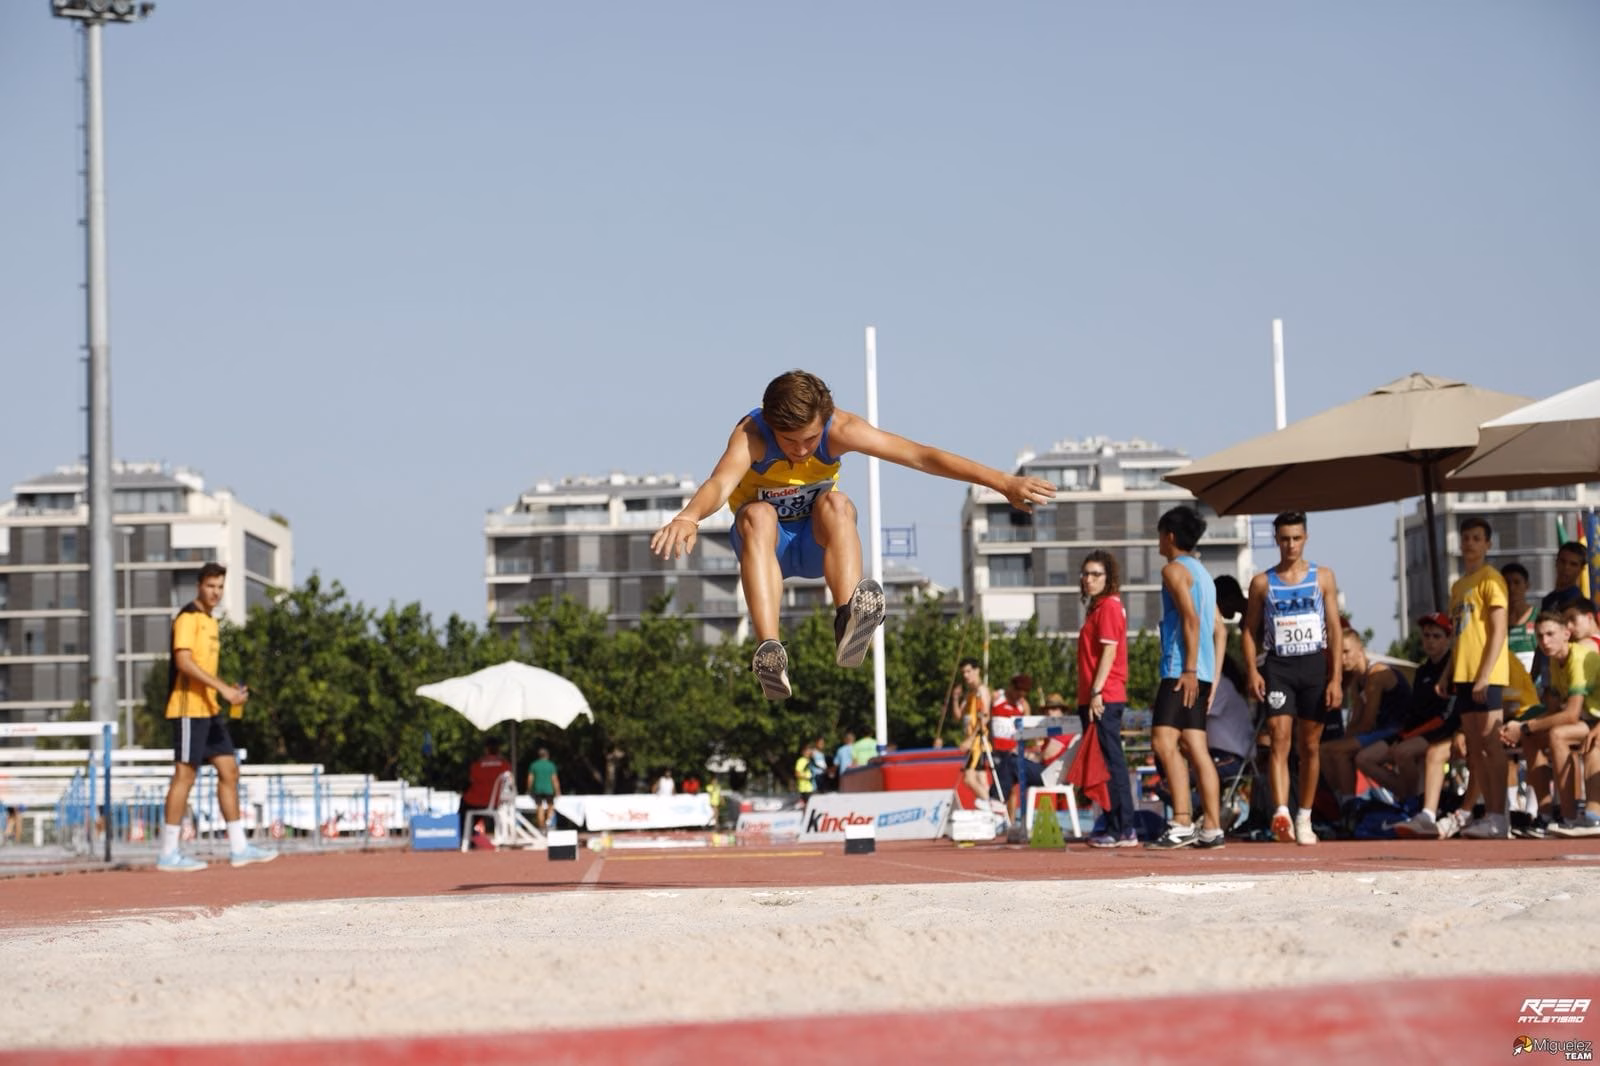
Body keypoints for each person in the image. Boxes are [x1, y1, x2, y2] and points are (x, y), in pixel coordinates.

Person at [649, 370, 1056, 700]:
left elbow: (920, 455)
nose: (802, 450)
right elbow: (720, 484)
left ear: (824, 422)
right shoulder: (751, 434)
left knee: (838, 504)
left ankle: (848, 618)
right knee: (757, 513)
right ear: (772, 426)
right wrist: (688, 517)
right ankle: (769, 650)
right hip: (766, 548)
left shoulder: (840, 428)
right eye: (790, 442)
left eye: (810, 439)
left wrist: (1001, 481)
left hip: (817, 544)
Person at [156, 563, 276, 873]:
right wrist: (222, 688)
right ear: (199, 585)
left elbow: (205, 669)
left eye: (220, 587)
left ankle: (239, 848)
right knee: (185, 775)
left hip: (210, 710)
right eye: (211, 586)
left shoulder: (212, 622)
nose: (216, 592)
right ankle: (168, 853)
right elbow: (183, 662)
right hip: (187, 708)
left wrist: (228, 691)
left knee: (229, 770)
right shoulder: (188, 617)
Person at [1240, 511, 1344, 847]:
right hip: (1279, 667)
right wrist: (1253, 670)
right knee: (1278, 739)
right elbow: (1248, 630)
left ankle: (1305, 816)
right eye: (1284, 539)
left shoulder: (1323, 577)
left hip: (1313, 665)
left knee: (1310, 745)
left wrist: (1336, 678)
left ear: (1306, 538)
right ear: (1276, 540)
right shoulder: (1262, 582)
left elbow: (1335, 629)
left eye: (1296, 538)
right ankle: (1281, 811)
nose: (1291, 545)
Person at [1146, 506, 1228, 850]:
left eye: (1159, 533)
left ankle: (1181, 821)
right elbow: (1220, 630)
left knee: (1163, 742)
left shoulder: (1174, 571)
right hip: (1202, 673)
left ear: (1170, 536)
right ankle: (1212, 827)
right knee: (1196, 747)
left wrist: (1191, 670)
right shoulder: (1204, 575)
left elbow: (1192, 620)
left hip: (1181, 671)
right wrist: (1212, 678)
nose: (1157, 540)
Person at [1442, 517, 1513, 840]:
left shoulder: (1492, 579)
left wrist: (1485, 675)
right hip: (1463, 673)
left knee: (1490, 744)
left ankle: (1501, 813)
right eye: (1465, 538)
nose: (1469, 543)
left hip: (1488, 674)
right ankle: (1489, 813)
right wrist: (1447, 674)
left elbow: (1499, 630)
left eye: (1476, 538)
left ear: (1488, 544)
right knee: (1474, 748)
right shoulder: (1459, 586)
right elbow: (1459, 636)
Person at [1502, 612, 1600, 836]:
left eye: (1550, 634)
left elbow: (1571, 715)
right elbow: (1554, 710)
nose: (1545, 641)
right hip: (1587, 721)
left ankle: (1568, 816)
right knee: (1532, 737)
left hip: (1593, 720)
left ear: (1567, 634)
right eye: (1540, 636)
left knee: (1557, 734)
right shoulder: (1556, 661)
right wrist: (1520, 726)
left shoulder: (1578, 657)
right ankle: (1545, 815)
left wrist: (1524, 726)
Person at [1383, 614, 1467, 839]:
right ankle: (1410, 801)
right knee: (1368, 757)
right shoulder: (1422, 672)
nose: (1430, 641)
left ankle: (1416, 805)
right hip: (1424, 733)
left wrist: (1409, 739)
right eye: (1427, 636)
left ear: (1448, 639)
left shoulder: (1454, 669)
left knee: (1406, 752)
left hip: (1447, 732)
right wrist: (1402, 736)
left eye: (1436, 636)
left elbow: (1446, 717)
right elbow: (1415, 713)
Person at [1076, 550, 1137, 849]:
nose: (1089, 579)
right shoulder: (1097, 608)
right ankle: (1115, 825)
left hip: (1105, 696)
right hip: (1094, 696)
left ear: (1108, 577)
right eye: (1086, 574)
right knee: (1103, 763)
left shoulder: (1110, 607)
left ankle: (1123, 828)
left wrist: (1097, 691)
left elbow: (1110, 652)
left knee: (1112, 763)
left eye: (1096, 574)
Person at [1321, 629, 1410, 805]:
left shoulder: (1376, 674)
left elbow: (1367, 722)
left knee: (1335, 750)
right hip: (1381, 731)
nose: (1342, 659)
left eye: (1346, 652)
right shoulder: (1356, 680)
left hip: (1398, 730)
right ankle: (1344, 802)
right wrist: (1343, 741)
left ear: (1360, 649)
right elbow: (1355, 721)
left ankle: (1348, 803)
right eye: (1338, 654)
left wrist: (1343, 742)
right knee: (1326, 751)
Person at [459, 737, 512, 839]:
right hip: (497, 802)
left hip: (476, 801)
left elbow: (471, 781)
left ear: (486, 749)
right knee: (472, 807)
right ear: (499, 749)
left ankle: (465, 836)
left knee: (465, 807)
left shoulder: (477, 765)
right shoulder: (505, 765)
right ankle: (471, 835)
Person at [1502, 562, 1537, 674]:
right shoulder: (1495, 619)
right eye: (1507, 583)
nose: (1512, 588)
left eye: (1517, 582)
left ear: (1527, 585)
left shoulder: (1538, 616)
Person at [525, 747, 561, 831]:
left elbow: (530, 779)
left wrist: (529, 789)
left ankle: (541, 826)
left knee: (539, 807)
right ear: (547, 755)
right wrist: (557, 790)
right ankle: (548, 823)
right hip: (549, 789)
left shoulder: (534, 765)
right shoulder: (550, 765)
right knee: (550, 806)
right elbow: (554, 779)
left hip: (537, 789)